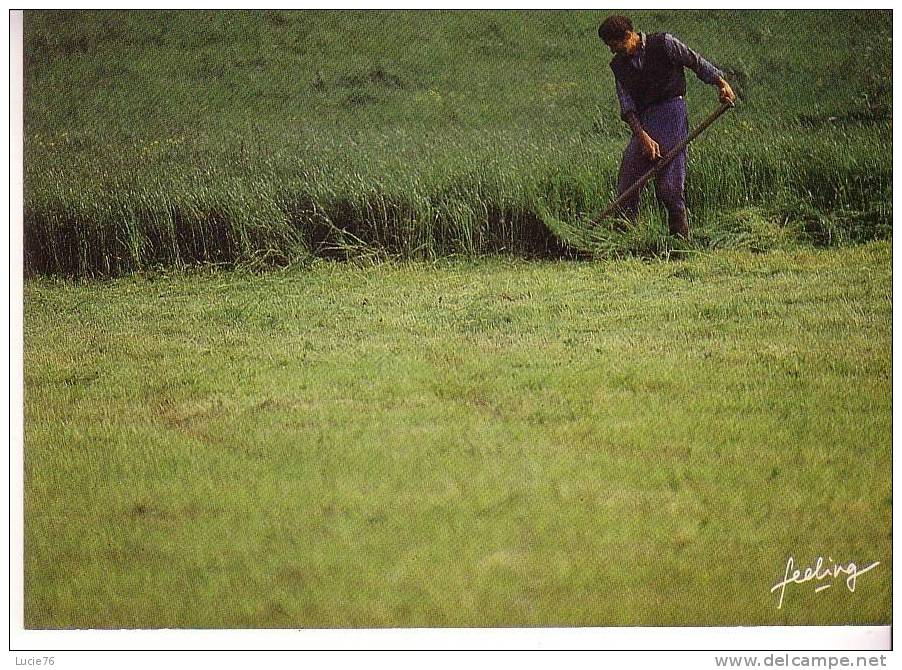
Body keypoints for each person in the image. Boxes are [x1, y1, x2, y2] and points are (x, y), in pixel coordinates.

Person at [598, 15, 736, 238]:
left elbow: (696, 62)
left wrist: (721, 83)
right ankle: (623, 242)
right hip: (645, 121)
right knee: (627, 181)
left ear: (627, 36)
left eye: (613, 44)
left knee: (669, 185)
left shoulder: (664, 43)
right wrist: (642, 136)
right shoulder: (619, 66)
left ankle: (680, 242)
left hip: (672, 113)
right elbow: (627, 107)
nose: (612, 50)